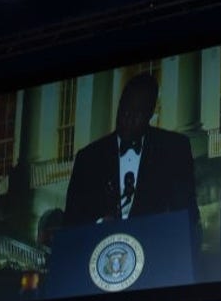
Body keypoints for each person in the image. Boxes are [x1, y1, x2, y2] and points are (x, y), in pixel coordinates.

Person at [63, 73, 197, 227]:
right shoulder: (88, 158)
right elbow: (71, 223)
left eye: (137, 111)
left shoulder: (174, 149)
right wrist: (99, 225)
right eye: (125, 108)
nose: (128, 117)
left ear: (151, 113)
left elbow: (187, 215)